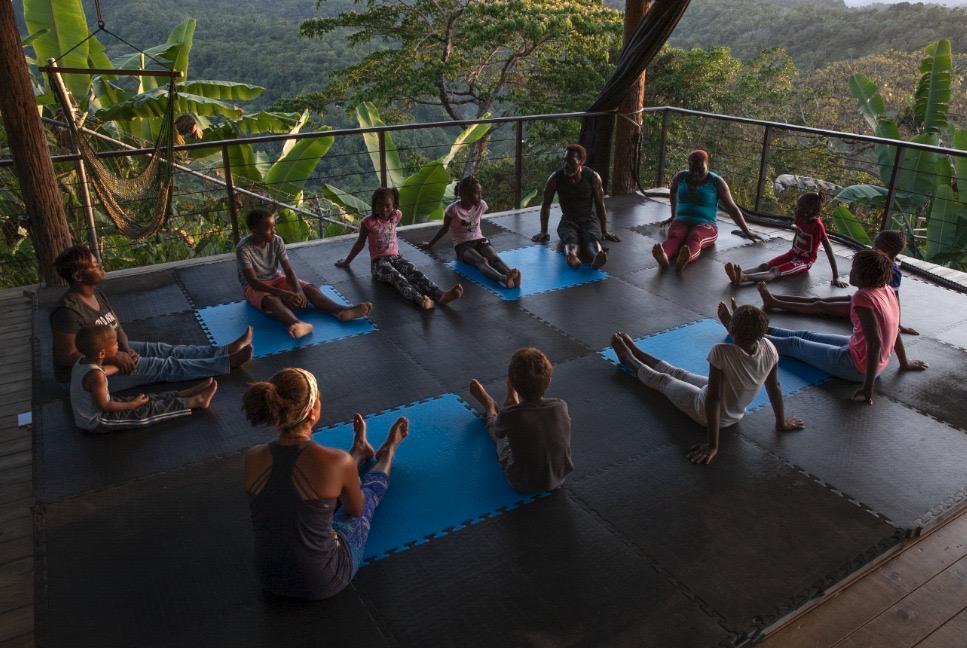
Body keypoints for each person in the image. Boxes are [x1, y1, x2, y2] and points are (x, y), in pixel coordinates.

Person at [243, 368, 408, 600]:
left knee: (311, 500)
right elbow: (355, 509)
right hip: (322, 580)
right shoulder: (335, 461)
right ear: (312, 413)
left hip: (268, 578)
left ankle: (359, 452)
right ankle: (387, 453)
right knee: (367, 497)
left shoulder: (252, 456)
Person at [729, 250, 928, 406]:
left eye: (854, 270)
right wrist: (904, 362)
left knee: (794, 344)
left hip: (857, 368)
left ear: (864, 275)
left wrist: (868, 388)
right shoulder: (887, 290)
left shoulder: (863, 298)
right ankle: (760, 329)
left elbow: (876, 342)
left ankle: (742, 332)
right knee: (805, 334)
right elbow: (894, 330)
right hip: (862, 354)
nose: (850, 272)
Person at [610, 306, 804, 466]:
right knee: (680, 373)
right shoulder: (769, 347)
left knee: (664, 381)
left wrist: (713, 445)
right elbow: (775, 386)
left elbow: (714, 398)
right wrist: (781, 422)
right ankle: (637, 351)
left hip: (706, 411)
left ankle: (627, 358)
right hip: (734, 410)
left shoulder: (722, 352)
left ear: (732, 330)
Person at [50, 245, 253, 389]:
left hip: (109, 352)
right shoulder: (68, 311)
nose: (100, 266)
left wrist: (126, 349)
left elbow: (116, 327)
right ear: (78, 276)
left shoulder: (96, 294)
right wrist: (114, 357)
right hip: (89, 375)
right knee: (159, 365)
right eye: (94, 265)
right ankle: (225, 363)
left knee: (160, 350)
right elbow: (67, 357)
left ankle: (222, 351)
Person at [237, 208, 372, 339]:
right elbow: (253, 282)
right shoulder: (243, 248)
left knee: (309, 288)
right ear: (255, 230)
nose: (274, 231)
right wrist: (283, 293)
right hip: (254, 286)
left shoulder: (277, 240)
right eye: (269, 228)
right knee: (271, 300)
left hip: (275, 277)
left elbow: (288, 269)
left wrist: (297, 289)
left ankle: (342, 311)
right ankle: (297, 323)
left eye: (274, 227)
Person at [756, 229, 919, 335]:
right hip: (861, 299)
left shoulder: (893, 271)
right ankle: (776, 299)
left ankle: (776, 303)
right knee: (818, 300)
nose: (873, 248)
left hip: (867, 309)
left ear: (886, 249)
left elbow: (894, 299)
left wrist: (897, 324)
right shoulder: (877, 261)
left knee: (820, 307)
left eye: (875, 246)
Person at [70, 325, 218, 432]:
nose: (118, 346)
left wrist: (127, 362)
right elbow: (105, 406)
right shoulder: (97, 377)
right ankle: (195, 401)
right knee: (145, 411)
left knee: (145, 398)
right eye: (115, 344)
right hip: (97, 420)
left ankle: (182, 393)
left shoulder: (82, 361)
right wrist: (132, 405)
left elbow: (103, 371)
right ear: (102, 354)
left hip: (99, 407)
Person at [336, 188, 463, 310]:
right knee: (398, 278)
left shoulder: (396, 215)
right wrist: (346, 262)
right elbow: (359, 244)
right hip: (378, 264)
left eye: (387, 205)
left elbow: (395, 215)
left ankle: (440, 295)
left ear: (394, 205)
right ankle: (421, 300)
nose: (383, 209)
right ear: (374, 205)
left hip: (396, 258)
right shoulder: (368, 223)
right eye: (379, 205)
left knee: (415, 272)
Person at [468, 347, 573, 491]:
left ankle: (490, 406)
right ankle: (513, 400)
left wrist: (494, 418)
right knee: (527, 426)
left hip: (521, 481)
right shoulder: (561, 405)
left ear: (512, 381)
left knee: (499, 436)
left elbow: (498, 435)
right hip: (558, 476)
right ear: (549, 380)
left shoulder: (509, 416)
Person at [654, 149, 762, 271]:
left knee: (695, 237)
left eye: (699, 168)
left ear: (707, 164)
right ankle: (664, 256)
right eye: (692, 169)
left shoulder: (717, 182)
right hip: (681, 221)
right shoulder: (680, 177)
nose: (695, 173)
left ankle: (685, 259)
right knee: (675, 236)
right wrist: (673, 215)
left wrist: (746, 231)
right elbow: (672, 192)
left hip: (706, 225)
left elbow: (732, 208)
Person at [724, 192, 847, 287]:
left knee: (775, 271)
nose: (797, 209)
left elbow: (829, 250)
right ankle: (738, 274)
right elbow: (797, 233)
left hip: (804, 261)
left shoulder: (817, 226)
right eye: (798, 206)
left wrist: (836, 276)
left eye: (801, 207)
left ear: (811, 211)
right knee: (764, 265)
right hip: (792, 254)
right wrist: (792, 250)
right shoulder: (800, 217)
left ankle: (744, 277)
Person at [531, 144, 620, 269]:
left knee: (592, 238)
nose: (566, 165)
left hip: (589, 219)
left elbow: (600, 205)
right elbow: (546, 205)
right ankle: (572, 257)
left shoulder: (593, 177)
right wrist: (543, 231)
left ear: (581, 162)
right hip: (568, 220)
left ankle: (597, 257)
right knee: (570, 239)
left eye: (571, 162)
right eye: (565, 160)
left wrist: (604, 230)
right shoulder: (555, 178)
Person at [424, 175, 521, 288]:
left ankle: (512, 275)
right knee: (481, 261)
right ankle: (503, 279)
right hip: (462, 244)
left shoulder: (481, 205)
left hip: (480, 239)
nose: (480, 197)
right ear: (464, 195)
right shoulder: (453, 210)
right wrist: (430, 244)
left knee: (494, 258)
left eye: (480, 193)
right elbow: (445, 228)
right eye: (477, 193)